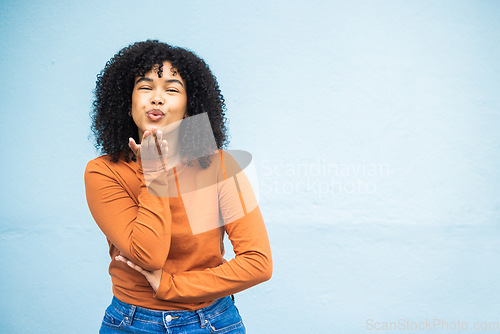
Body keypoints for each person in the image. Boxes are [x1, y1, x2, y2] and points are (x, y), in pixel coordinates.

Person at [84, 40, 272, 333]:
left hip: (212, 321)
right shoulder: (104, 171)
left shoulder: (219, 165)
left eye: (171, 90)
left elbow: (258, 262)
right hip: (132, 322)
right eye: (145, 87)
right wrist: (155, 174)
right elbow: (149, 255)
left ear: (189, 107)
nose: (157, 98)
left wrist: (173, 285)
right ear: (128, 102)